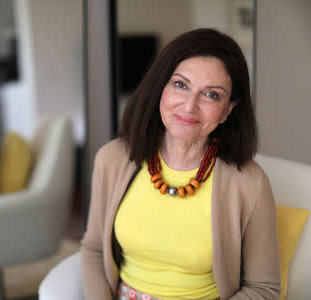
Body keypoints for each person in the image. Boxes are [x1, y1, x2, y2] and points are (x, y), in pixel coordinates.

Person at [81, 28, 281, 300]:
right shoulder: (113, 158)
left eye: (211, 95)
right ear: (160, 88)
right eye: (180, 85)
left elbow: (263, 288)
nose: (189, 107)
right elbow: (94, 248)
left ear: (228, 110)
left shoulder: (250, 182)